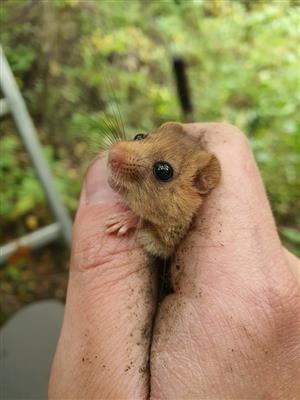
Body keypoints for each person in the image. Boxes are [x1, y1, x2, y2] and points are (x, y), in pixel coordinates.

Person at [48, 123, 300, 399]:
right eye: (140, 137)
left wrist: (138, 221)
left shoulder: (180, 221)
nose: (119, 153)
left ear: (200, 182)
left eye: (162, 172)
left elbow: (165, 242)